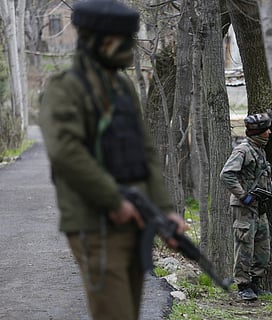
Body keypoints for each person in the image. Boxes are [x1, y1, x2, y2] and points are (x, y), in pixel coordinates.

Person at [38, 1, 186, 319]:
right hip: (95, 222)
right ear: (100, 41)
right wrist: (113, 200)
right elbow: (66, 153)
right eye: (124, 40)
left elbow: (145, 151)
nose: (131, 49)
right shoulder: (66, 89)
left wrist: (164, 210)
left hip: (136, 218)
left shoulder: (123, 87)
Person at [220, 112, 272, 301]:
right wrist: (244, 196)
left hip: (259, 207)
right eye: (267, 130)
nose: (270, 133)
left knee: (262, 248)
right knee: (244, 246)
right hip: (245, 207)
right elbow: (226, 175)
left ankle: (255, 283)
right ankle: (243, 285)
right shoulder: (243, 150)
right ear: (259, 132)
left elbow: (264, 176)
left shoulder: (259, 150)